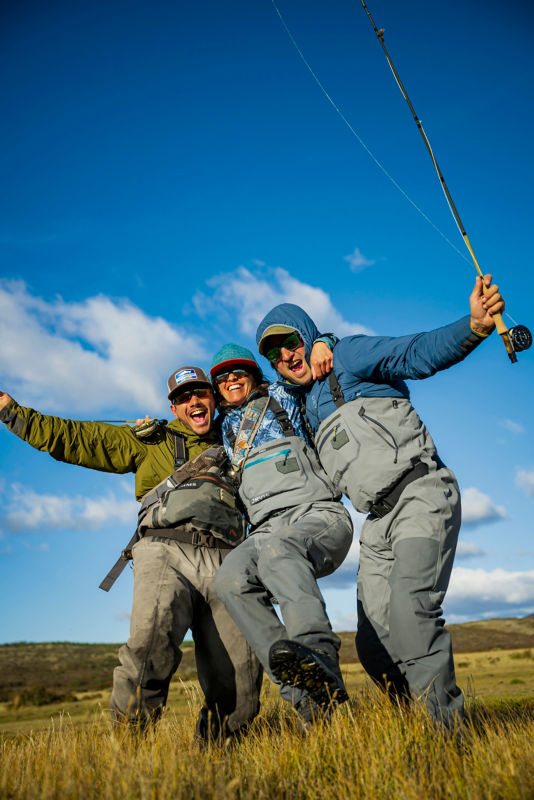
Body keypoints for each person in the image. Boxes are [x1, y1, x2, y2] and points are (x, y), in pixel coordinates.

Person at [255, 275, 505, 732]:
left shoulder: (347, 355)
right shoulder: (297, 405)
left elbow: (415, 353)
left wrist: (474, 326)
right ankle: (410, 726)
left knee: (412, 611)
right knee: (373, 647)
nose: (285, 357)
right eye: (273, 354)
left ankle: (448, 738)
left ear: (306, 335)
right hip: (376, 525)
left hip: (419, 492)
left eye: (290, 342)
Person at [0, 366, 262, 742]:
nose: (193, 402)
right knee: (149, 644)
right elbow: (75, 438)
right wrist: (11, 410)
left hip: (229, 557)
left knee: (241, 669)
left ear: (213, 398)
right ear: (173, 408)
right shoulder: (149, 440)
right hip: (165, 549)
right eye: (183, 398)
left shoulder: (240, 438)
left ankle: (223, 754)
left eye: (200, 394)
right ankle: (131, 751)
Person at [209, 343, 353, 723]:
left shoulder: (284, 394)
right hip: (265, 529)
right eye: (222, 377)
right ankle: (305, 692)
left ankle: (317, 653)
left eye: (239, 371)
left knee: (278, 547)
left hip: (317, 513)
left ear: (256, 376)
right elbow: (186, 418)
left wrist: (324, 340)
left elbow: (309, 359)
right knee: (229, 580)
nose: (231, 379)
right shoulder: (219, 429)